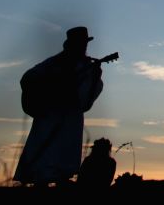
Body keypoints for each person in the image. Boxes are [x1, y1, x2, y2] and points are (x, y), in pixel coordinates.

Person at [15, 27, 105, 185]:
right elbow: (28, 78)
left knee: (65, 157)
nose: (84, 47)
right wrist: (49, 86)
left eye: (85, 44)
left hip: (71, 117)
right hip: (49, 114)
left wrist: (95, 78)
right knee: (44, 153)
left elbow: (87, 96)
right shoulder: (52, 63)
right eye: (81, 44)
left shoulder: (86, 66)